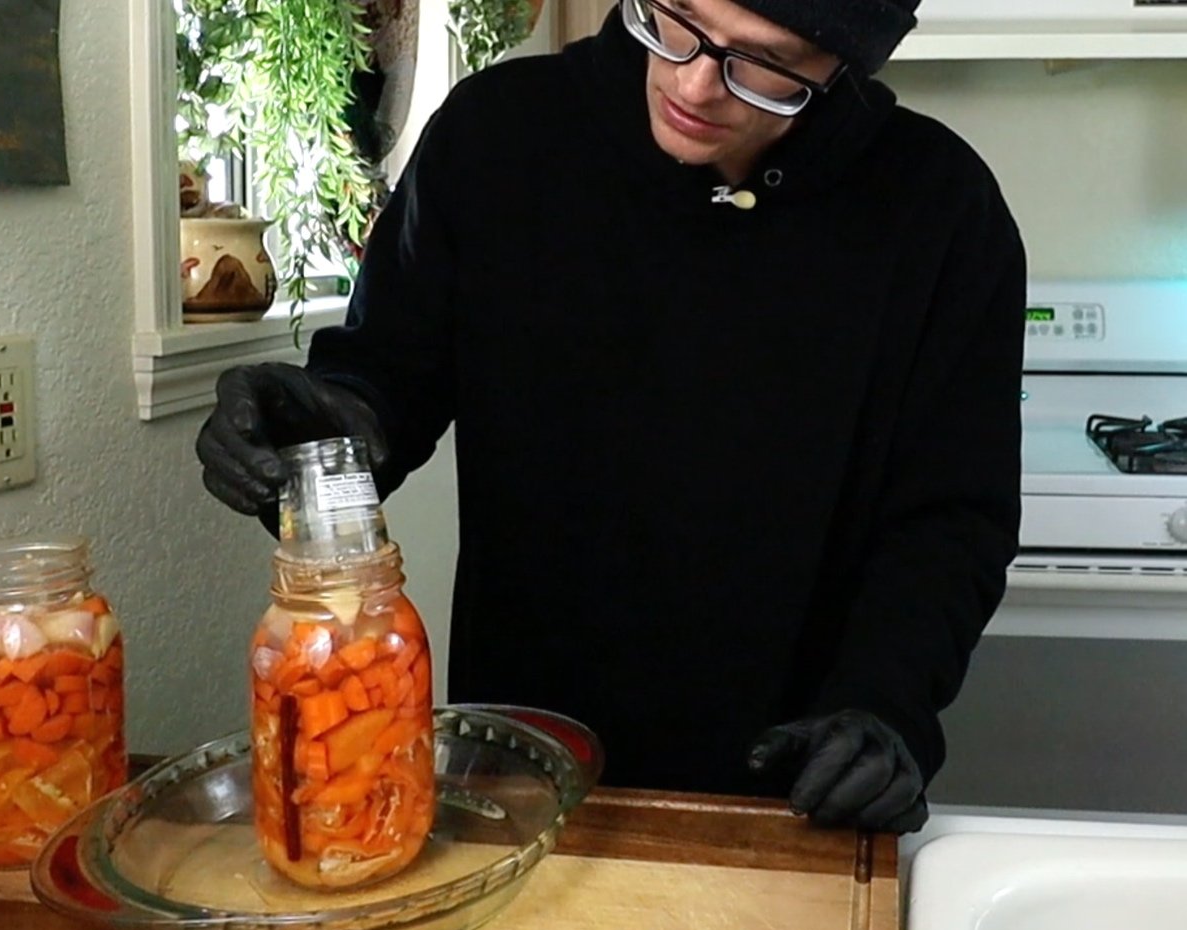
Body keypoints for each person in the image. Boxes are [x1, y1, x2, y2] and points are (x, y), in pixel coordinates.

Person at [195, 0, 1026, 833]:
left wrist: (886, 701)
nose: (695, 83)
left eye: (763, 64)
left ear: (841, 65)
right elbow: (388, 381)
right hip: (521, 768)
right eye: (674, 18)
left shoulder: (941, 211)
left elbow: (950, 519)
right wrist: (320, 428)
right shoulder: (497, 136)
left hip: (791, 781)